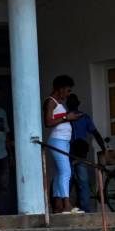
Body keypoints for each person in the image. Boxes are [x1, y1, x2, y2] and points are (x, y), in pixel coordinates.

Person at [44, 75, 80, 214]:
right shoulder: (50, 101)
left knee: (60, 173)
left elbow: (56, 118)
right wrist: (66, 117)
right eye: (68, 90)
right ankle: (66, 204)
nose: (68, 94)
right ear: (60, 89)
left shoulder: (58, 103)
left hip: (63, 141)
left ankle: (58, 205)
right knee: (66, 172)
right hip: (57, 140)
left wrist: (67, 117)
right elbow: (48, 122)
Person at [65, 93, 106, 213]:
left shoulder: (81, 117)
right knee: (77, 180)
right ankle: (76, 207)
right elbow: (95, 133)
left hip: (77, 152)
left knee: (76, 180)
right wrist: (103, 147)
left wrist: (103, 147)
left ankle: (80, 208)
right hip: (71, 152)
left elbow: (95, 133)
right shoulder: (69, 118)